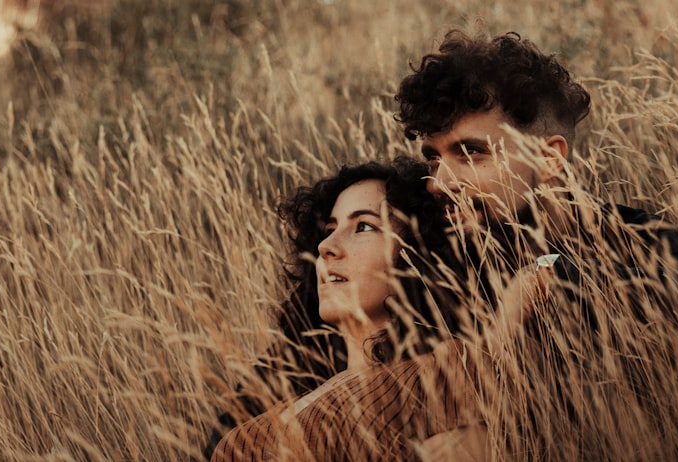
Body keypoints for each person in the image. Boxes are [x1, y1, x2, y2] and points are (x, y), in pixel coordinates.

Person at [394, 30, 678, 457]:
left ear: (549, 157)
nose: (440, 182)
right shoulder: (442, 262)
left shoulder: (631, 235)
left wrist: (551, 277)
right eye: (434, 157)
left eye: (470, 154)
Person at [206, 158, 486, 461]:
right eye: (330, 227)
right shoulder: (278, 389)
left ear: (418, 257)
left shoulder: (451, 372)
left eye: (364, 226)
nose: (327, 245)